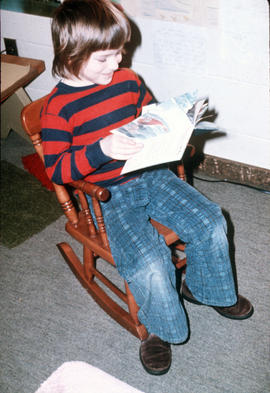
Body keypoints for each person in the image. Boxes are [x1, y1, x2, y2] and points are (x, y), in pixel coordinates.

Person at [41, 0, 253, 376]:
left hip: (153, 174)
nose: (118, 63)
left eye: (120, 52)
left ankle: (204, 290)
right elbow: (57, 169)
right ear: (72, 55)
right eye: (106, 58)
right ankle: (158, 329)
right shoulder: (58, 109)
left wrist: (173, 125)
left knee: (210, 221)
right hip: (109, 194)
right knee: (151, 262)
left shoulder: (127, 81)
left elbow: (149, 114)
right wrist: (99, 150)